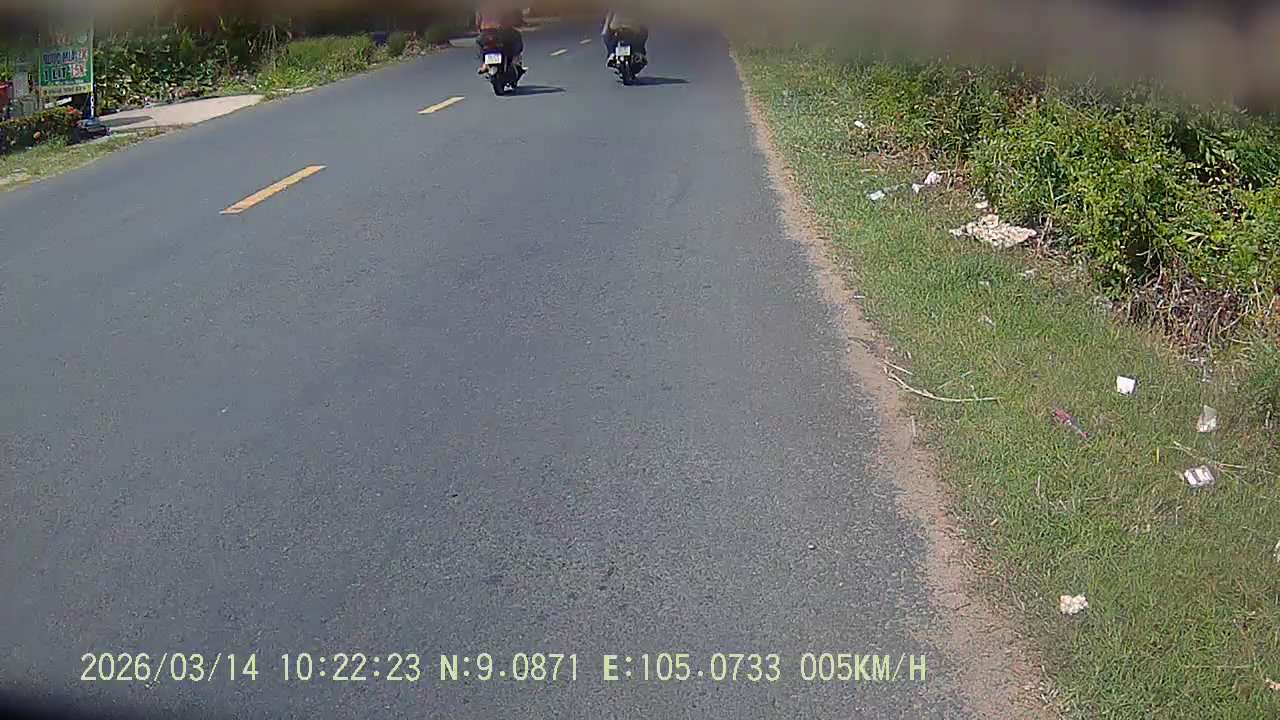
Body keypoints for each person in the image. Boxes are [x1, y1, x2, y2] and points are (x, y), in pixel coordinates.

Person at [476, 3, 525, 75]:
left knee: (479, 43)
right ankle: (515, 61)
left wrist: (481, 30)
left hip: (485, 33)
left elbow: (478, 23)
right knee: (517, 37)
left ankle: (485, 64)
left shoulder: (481, 6)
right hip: (501, 32)